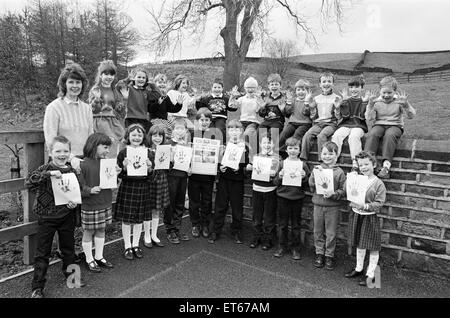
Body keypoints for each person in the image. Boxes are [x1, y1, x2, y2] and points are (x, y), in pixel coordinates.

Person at [26, 136, 84, 298]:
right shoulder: (44, 169)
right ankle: (37, 287)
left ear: (70, 153)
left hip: (66, 216)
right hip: (47, 217)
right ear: (50, 152)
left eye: (65, 151)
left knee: (68, 248)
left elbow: (75, 190)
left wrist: (74, 203)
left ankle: (72, 276)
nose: (62, 154)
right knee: (42, 252)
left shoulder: (71, 170)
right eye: (58, 151)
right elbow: (29, 182)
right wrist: (49, 174)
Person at [345, 151, 386, 286]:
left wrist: (365, 206)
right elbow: (349, 191)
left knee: (372, 246)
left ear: (373, 164)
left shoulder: (378, 183)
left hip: (369, 217)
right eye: (361, 165)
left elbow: (379, 203)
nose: (363, 167)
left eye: (366, 164)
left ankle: (371, 274)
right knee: (359, 243)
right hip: (357, 215)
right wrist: (350, 180)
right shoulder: (357, 178)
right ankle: (358, 268)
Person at [79, 133, 119, 272]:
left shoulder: (107, 163)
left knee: (102, 229)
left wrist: (116, 174)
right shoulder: (82, 164)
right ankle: (89, 258)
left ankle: (99, 256)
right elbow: (78, 187)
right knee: (89, 231)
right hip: (90, 204)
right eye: (105, 147)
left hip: (105, 202)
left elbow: (112, 182)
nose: (108, 151)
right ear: (94, 145)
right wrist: (89, 190)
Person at [43, 62, 93, 172]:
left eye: (78, 82)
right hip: (61, 163)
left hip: (83, 163)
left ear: (82, 84)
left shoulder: (87, 108)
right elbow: (51, 140)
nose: (75, 86)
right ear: (64, 84)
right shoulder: (54, 107)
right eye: (71, 82)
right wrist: (71, 158)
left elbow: (91, 137)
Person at [114, 124, 153, 260]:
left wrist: (149, 168)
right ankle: (127, 246)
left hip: (142, 188)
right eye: (134, 135)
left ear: (143, 137)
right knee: (126, 219)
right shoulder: (123, 153)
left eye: (139, 135)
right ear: (128, 137)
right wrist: (124, 167)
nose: (137, 137)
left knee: (139, 219)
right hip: (128, 188)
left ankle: (135, 244)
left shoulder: (148, 152)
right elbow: (118, 175)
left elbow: (151, 176)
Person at [364, 76, 416, 179]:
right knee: (373, 134)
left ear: (395, 92)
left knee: (389, 135)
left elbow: (411, 116)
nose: (386, 95)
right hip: (379, 124)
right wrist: (370, 105)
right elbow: (369, 118)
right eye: (384, 93)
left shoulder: (399, 101)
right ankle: (366, 162)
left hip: (395, 125)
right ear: (380, 91)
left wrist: (406, 105)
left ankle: (386, 167)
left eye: (389, 93)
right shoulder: (376, 101)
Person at [208, 119, 250, 244]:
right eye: (231, 129)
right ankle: (216, 230)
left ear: (241, 131)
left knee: (237, 207)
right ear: (228, 131)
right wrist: (219, 168)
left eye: (237, 129)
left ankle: (236, 231)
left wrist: (242, 167)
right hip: (224, 180)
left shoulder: (246, 147)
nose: (234, 132)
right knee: (220, 206)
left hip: (237, 181)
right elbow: (217, 162)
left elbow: (249, 165)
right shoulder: (223, 146)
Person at [308, 141, 346, 270]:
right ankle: (319, 253)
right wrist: (314, 175)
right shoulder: (317, 169)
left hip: (332, 207)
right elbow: (311, 186)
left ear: (336, 155)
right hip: (318, 205)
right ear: (321, 155)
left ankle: (329, 255)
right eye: (324, 153)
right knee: (317, 231)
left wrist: (334, 194)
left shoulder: (339, 172)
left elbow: (343, 190)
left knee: (331, 233)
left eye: (331, 154)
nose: (327, 156)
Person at [273, 137, 310, 260]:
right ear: (286, 149)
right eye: (290, 148)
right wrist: (279, 176)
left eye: (295, 148)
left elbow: (307, 185)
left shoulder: (303, 165)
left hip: (297, 198)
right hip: (283, 197)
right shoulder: (282, 163)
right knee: (282, 224)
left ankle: (295, 248)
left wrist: (305, 177)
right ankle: (282, 246)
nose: (293, 151)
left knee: (296, 225)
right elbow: (275, 182)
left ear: (299, 150)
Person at [247, 135, 282, 250]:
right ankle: (256, 237)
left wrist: (276, 174)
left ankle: (268, 239)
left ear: (273, 145)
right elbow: (249, 174)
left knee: (269, 217)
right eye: (264, 143)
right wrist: (247, 168)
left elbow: (279, 176)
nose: (267, 145)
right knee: (256, 216)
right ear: (260, 144)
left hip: (270, 190)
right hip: (257, 189)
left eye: (269, 143)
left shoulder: (278, 158)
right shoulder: (256, 157)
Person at [188, 107, 218, 238]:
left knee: (206, 201)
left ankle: (205, 224)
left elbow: (217, 155)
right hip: (194, 174)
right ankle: (195, 224)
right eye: (202, 120)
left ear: (210, 121)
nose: (204, 122)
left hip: (208, 175)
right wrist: (188, 166)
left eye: (207, 120)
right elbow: (187, 151)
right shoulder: (192, 134)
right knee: (194, 201)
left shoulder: (215, 135)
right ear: (197, 121)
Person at [88, 60, 126, 158]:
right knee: (107, 142)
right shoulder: (96, 89)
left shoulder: (114, 90)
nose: (109, 77)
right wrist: (96, 100)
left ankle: (113, 166)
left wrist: (123, 101)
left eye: (112, 75)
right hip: (100, 120)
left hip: (112, 121)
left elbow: (119, 111)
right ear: (100, 75)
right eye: (106, 74)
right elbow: (93, 109)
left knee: (123, 139)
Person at [331, 75, 369, 171]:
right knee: (337, 135)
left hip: (359, 125)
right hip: (346, 124)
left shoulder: (364, 101)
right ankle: (333, 160)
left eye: (356, 87)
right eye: (351, 87)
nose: (353, 89)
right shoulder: (346, 100)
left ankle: (356, 163)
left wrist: (365, 103)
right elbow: (344, 116)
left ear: (362, 88)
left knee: (354, 136)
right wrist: (339, 106)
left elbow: (362, 117)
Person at [300, 72, 340, 161]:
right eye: (324, 82)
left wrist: (337, 108)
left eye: (329, 81)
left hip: (331, 124)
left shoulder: (336, 98)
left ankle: (322, 160)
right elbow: (312, 116)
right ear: (320, 84)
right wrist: (310, 107)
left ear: (333, 84)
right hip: (318, 124)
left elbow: (338, 117)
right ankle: (303, 159)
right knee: (307, 135)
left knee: (321, 136)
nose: (326, 84)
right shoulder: (316, 98)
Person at [164, 118, 192, 244]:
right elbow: (163, 163)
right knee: (171, 203)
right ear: (173, 130)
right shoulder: (168, 144)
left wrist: (191, 167)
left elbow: (189, 161)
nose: (180, 131)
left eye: (182, 129)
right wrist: (170, 157)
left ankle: (177, 228)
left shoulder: (187, 145)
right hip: (171, 176)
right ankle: (170, 229)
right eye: (177, 128)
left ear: (186, 131)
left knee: (180, 203)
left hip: (183, 176)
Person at [145, 125, 170, 248]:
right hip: (150, 182)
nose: (157, 138)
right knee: (148, 209)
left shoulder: (165, 149)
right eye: (155, 135)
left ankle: (154, 235)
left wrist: (172, 159)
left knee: (157, 210)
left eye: (160, 135)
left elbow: (168, 168)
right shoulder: (145, 150)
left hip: (161, 181)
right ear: (150, 136)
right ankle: (146, 236)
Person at [229, 76, 265, 163]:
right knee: (235, 135)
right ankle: (235, 157)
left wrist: (260, 100)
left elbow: (261, 110)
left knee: (247, 134)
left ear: (256, 88)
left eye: (253, 88)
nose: (250, 90)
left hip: (253, 122)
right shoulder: (242, 99)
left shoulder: (257, 99)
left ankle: (249, 155)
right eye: (248, 88)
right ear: (245, 88)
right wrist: (232, 96)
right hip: (242, 121)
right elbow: (232, 105)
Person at [195, 78, 237, 143]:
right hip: (210, 118)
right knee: (209, 130)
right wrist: (197, 101)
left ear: (222, 88)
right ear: (212, 88)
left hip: (220, 118)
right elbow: (201, 108)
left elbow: (232, 108)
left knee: (220, 129)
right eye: (215, 87)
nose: (217, 89)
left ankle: (222, 143)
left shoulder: (225, 99)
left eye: (219, 87)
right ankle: (209, 144)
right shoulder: (207, 98)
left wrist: (234, 100)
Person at [279, 79, 313, 159]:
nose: (300, 92)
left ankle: (294, 155)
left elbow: (307, 113)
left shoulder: (309, 100)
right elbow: (288, 112)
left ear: (307, 91)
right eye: (298, 90)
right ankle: (281, 152)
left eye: (303, 90)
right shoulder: (293, 100)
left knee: (297, 135)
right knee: (284, 133)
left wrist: (306, 102)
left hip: (305, 123)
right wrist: (289, 102)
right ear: (295, 91)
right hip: (293, 122)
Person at [148, 73, 184, 139]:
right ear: (155, 84)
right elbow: (150, 109)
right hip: (155, 120)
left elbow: (172, 108)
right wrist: (158, 103)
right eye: (160, 82)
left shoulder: (165, 97)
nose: (162, 84)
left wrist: (179, 104)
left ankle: (167, 143)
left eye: (164, 82)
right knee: (162, 132)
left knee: (172, 130)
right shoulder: (152, 95)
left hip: (164, 120)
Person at [117, 68, 153, 133]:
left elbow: (158, 94)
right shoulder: (129, 89)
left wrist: (152, 84)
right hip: (131, 118)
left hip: (144, 119)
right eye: (139, 77)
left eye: (143, 78)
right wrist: (128, 79)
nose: (141, 79)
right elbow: (118, 85)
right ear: (134, 78)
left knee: (143, 138)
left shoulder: (147, 91)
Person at [258, 73, 291, 140]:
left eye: (276, 84)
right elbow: (262, 115)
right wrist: (262, 107)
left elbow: (288, 115)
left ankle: (273, 150)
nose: (274, 86)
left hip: (278, 122)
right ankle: (260, 150)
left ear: (280, 86)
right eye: (272, 84)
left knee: (272, 133)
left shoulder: (283, 98)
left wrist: (282, 110)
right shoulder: (266, 98)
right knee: (259, 131)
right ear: (268, 86)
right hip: (267, 121)